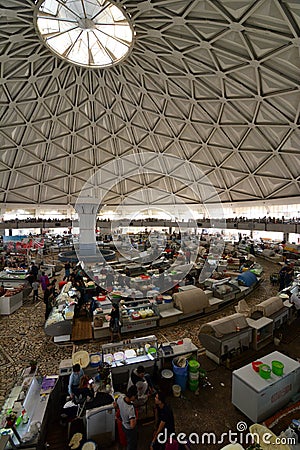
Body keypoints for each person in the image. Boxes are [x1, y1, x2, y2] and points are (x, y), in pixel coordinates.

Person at [115, 385, 138, 450]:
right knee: (131, 443)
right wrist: (135, 419)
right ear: (133, 396)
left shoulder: (120, 397)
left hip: (123, 425)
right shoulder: (130, 409)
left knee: (128, 440)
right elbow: (132, 425)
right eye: (135, 396)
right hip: (129, 429)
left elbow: (115, 405)